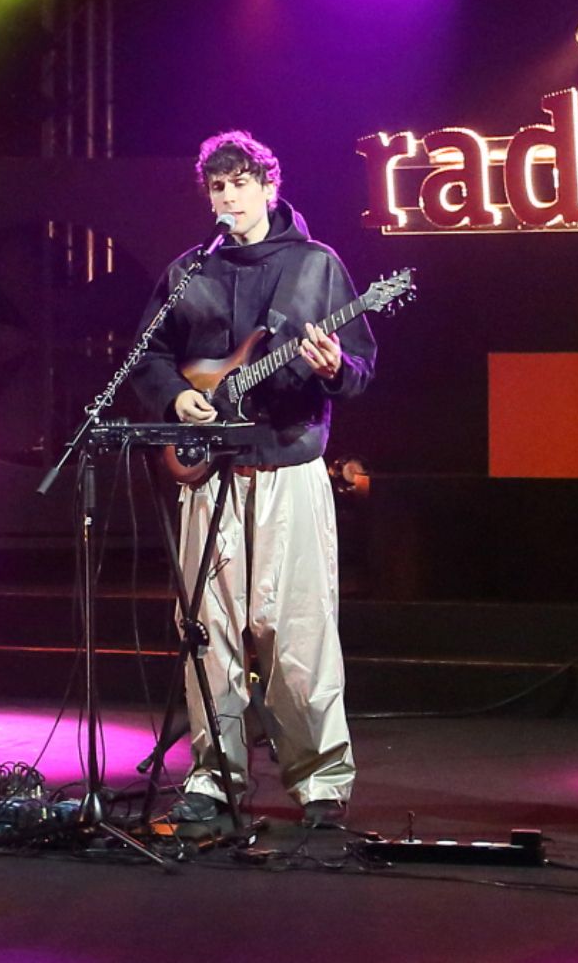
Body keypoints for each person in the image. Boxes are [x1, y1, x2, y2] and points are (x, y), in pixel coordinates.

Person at [130, 130, 376, 829]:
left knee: (298, 631)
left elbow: (359, 367)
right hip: (209, 473)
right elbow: (147, 356)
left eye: (241, 183)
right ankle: (214, 778)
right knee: (207, 631)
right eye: (218, 186)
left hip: (286, 465)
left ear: (269, 187)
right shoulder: (190, 270)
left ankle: (321, 784)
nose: (229, 197)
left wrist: (334, 368)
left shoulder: (316, 265)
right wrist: (178, 397)